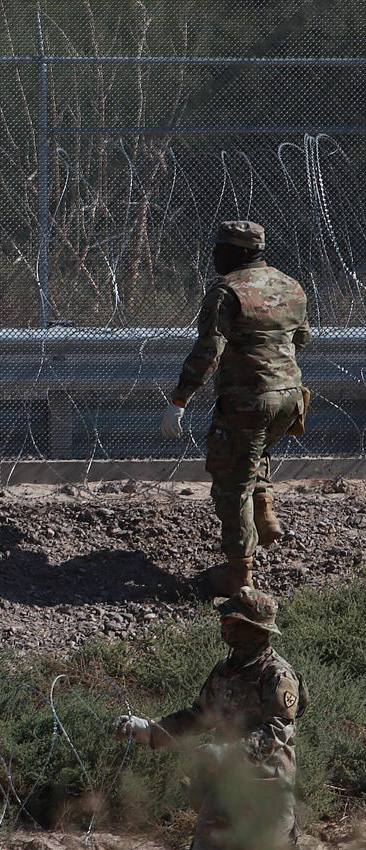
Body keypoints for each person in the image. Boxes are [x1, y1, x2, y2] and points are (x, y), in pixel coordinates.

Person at [110, 587, 310, 850]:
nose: (223, 624)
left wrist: (227, 754)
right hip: (225, 793)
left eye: (231, 620)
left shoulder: (277, 675)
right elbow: (197, 715)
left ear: (254, 629)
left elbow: (277, 732)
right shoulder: (224, 671)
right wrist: (148, 730)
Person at [159, 220, 310, 596]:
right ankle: (266, 510)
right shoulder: (290, 285)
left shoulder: (226, 292)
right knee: (252, 450)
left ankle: (239, 576)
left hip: (249, 401)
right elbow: (301, 338)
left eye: (220, 247)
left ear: (240, 253)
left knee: (230, 485)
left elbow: (209, 350)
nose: (214, 254)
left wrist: (179, 399)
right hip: (291, 397)